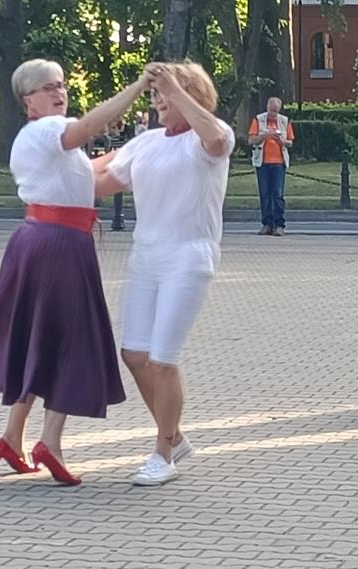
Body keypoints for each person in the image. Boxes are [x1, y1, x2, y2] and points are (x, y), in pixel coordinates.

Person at [0, 58, 140, 485]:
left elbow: (91, 180)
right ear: (29, 101)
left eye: (61, 85)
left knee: (37, 336)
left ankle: (12, 437)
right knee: (70, 338)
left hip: (43, 239)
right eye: (48, 87)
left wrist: (137, 154)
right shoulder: (49, 131)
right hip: (60, 243)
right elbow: (89, 129)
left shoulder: (44, 139)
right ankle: (50, 442)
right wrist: (136, 87)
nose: (59, 92)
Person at [94, 62, 235, 486]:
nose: (157, 101)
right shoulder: (146, 143)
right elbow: (99, 181)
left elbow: (214, 139)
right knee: (134, 355)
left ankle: (163, 453)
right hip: (146, 258)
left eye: (164, 94)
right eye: (155, 94)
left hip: (188, 256)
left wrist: (175, 87)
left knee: (162, 358)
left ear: (188, 94)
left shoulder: (210, 137)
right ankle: (174, 434)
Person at [248, 97, 295, 236]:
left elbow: (290, 142)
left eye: (276, 111)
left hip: (279, 162)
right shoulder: (258, 120)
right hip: (262, 162)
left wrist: (282, 141)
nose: (273, 114)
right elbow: (251, 140)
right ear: (267, 107)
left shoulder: (284, 121)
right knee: (265, 194)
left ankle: (279, 225)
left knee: (278, 194)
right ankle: (267, 224)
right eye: (271, 110)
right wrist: (264, 135)